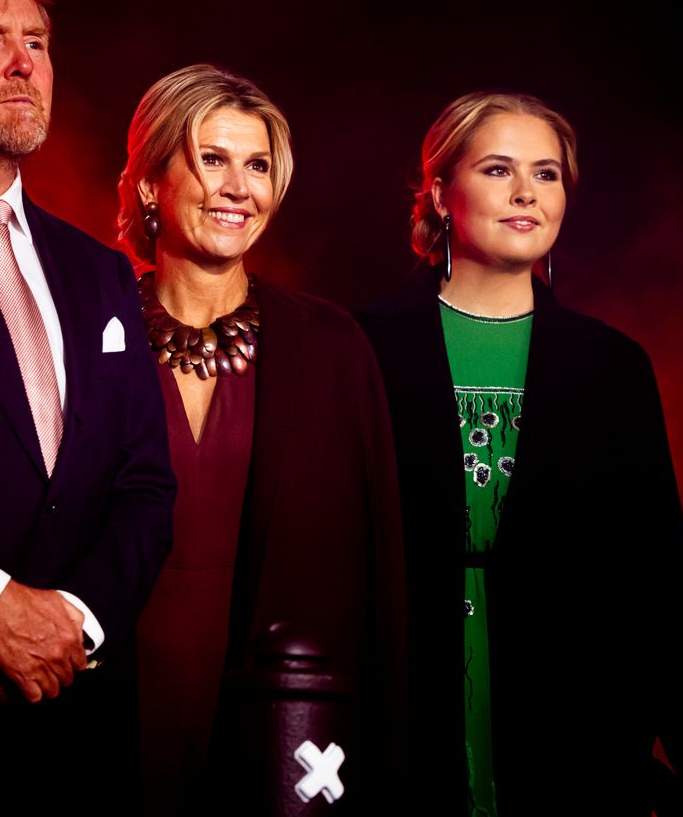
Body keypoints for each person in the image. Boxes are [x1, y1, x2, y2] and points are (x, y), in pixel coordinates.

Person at [355, 92, 683, 817]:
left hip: (573, 719)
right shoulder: (360, 346)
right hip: (399, 702)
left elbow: (657, 566)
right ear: (440, 193)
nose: (527, 192)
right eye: (499, 169)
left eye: (547, 173)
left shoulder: (613, 365)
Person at [116, 63, 406, 812]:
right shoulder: (85, 328)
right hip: (108, 699)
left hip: (281, 721)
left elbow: (377, 574)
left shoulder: (331, 345)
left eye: (258, 165)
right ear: (149, 183)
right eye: (211, 159)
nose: (238, 188)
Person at [0, 0, 176, 808]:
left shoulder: (100, 272)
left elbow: (146, 487)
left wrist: (76, 619)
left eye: (36, 42)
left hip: (79, 723)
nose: (22, 64)